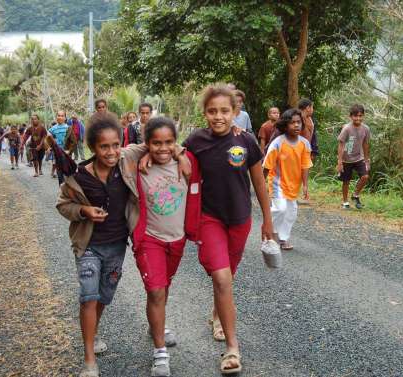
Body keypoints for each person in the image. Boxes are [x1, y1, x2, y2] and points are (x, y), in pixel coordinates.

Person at [56, 113, 189, 377]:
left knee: (103, 296)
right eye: (104, 147)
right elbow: (63, 204)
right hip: (88, 246)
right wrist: (83, 210)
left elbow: (162, 143)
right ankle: (89, 360)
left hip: (117, 245)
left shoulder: (126, 158)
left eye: (116, 145)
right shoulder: (80, 176)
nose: (111, 151)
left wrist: (181, 153)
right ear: (93, 147)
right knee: (88, 298)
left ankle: (93, 335)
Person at [182, 84, 273, 375]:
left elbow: (259, 183)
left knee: (227, 276)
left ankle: (217, 313)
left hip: (240, 220)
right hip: (209, 219)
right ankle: (233, 349)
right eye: (212, 111)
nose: (218, 117)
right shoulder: (196, 140)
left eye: (224, 111)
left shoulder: (245, 141)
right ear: (204, 113)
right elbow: (171, 153)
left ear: (235, 112)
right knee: (222, 278)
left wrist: (267, 221)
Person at [129, 117, 198, 377]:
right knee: (156, 290)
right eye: (155, 143)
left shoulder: (188, 164)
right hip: (149, 239)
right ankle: (160, 353)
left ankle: (156, 325)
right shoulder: (138, 166)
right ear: (147, 143)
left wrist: (179, 152)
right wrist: (144, 152)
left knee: (164, 287)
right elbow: (120, 150)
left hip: (176, 239)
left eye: (169, 142)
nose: (162, 148)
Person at [263, 109, 312, 250]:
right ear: (285, 126)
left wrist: (305, 186)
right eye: (292, 123)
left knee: (291, 213)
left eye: (298, 122)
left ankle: (283, 238)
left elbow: (305, 165)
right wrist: (261, 187)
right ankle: (270, 231)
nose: (296, 125)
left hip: (293, 185)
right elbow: (266, 166)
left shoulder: (304, 144)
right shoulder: (277, 143)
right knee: (280, 209)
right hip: (277, 183)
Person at [337, 104, 371, 209]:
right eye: (356, 116)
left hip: (359, 158)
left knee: (365, 176)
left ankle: (355, 194)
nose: (358, 118)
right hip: (346, 160)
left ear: (363, 116)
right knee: (346, 181)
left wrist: (366, 160)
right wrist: (339, 162)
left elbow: (365, 144)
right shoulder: (347, 128)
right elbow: (341, 144)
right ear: (351, 117)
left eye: (360, 116)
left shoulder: (366, 129)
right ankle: (345, 202)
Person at [48, 110, 70, 184]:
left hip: (66, 153)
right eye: (58, 115)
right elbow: (47, 138)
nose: (60, 117)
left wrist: (69, 150)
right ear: (56, 117)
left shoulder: (68, 128)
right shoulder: (53, 129)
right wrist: (48, 147)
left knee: (67, 171)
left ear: (65, 118)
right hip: (56, 152)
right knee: (59, 171)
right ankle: (61, 188)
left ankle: (67, 188)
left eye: (62, 116)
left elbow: (73, 141)